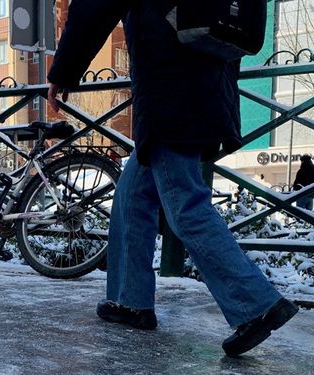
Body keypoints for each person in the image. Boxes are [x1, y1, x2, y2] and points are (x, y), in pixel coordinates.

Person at [47, 0, 298, 357]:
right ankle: (129, 300)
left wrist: (62, 72)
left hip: (170, 90)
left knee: (185, 206)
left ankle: (256, 306)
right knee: (134, 193)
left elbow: (95, 5)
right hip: (207, 83)